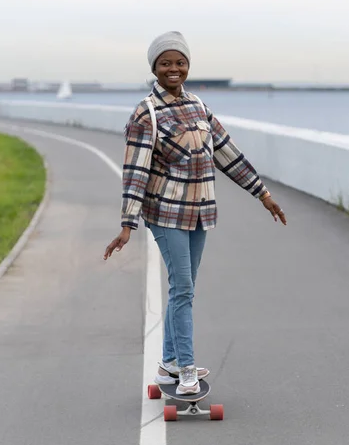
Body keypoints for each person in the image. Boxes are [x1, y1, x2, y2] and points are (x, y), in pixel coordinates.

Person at [104, 31, 287, 395]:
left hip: (200, 212)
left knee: (183, 289)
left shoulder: (198, 106)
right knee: (183, 287)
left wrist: (262, 194)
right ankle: (186, 368)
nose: (174, 69)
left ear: (188, 66)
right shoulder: (146, 113)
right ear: (155, 68)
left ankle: (168, 364)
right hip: (167, 211)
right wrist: (128, 223)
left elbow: (226, 153)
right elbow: (135, 170)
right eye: (166, 63)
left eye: (180, 62)